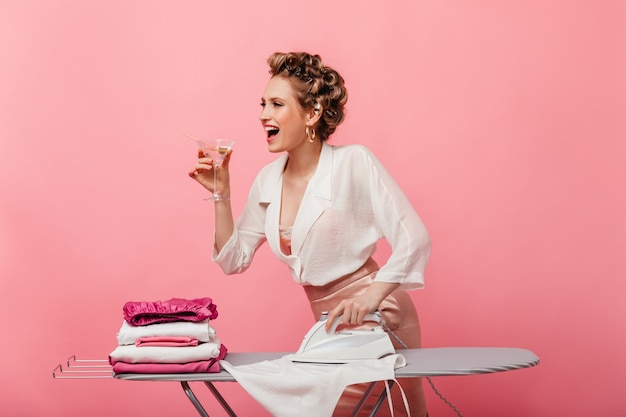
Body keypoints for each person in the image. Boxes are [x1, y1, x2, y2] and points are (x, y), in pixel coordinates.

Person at [189, 51, 431, 417]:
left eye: (276, 104)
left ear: (312, 113)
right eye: (262, 103)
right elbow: (232, 259)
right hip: (331, 329)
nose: (262, 115)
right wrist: (221, 192)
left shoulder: (354, 162)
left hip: (380, 315)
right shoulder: (268, 179)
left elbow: (414, 238)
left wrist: (369, 299)